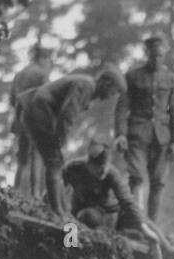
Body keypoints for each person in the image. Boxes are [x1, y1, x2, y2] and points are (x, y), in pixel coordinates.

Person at [22, 67, 126, 217]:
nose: (110, 96)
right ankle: (56, 210)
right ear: (106, 82)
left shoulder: (87, 87)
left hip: (37, 108)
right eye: (113, 91)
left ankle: (59, 209)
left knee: (55, 161)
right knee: (55, 161)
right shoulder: (86, 86)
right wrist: (60, 140)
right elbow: (67, 113)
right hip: (40, 109)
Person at [114, 33, 174, 221]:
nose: (157, 59)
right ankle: (137, 222)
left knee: (158, 182)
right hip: (137, 134)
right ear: (147, 54)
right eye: (153, 55)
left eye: (160, 56)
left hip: (162, 137)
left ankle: (152, 225)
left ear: (165, 54)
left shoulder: (171, 79)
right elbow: (122, 108)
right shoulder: (133, 76)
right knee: (136, 177)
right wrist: (120, 134)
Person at [63, 140, 146, 232]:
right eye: (98, 166)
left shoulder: (112, 174)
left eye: (105, 166)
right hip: (81, 211)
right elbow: (57, 187)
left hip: (107, 213)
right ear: (88, 163)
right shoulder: (74, 167)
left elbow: (127, 201)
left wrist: (142, 226)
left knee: (146, 224)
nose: (102, 171)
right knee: (86, 216)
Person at [10, 44, 53, 197]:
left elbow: (11, 100)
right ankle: (34, 196)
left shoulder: (19, 74)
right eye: (48, 59)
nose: (49, 63)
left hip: (20, 120)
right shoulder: (42, 74)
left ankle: (15, 192)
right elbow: (47, 98)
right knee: (37, 157)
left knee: (22, 158)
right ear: (42, 59)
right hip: (36, 120)